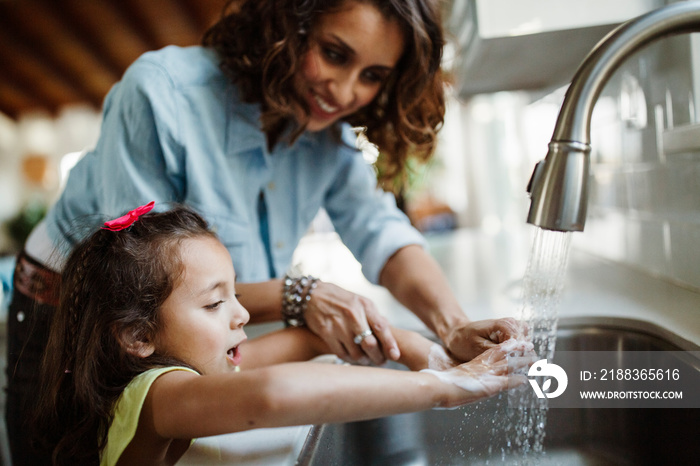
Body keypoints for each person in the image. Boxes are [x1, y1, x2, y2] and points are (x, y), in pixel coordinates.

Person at [7, 0, 523, 463]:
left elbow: (380, 230)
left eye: (372, 75)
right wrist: (303, 296)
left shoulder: (329, 135)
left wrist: (450, 328)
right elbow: (144, 284)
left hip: (176, 327)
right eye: (334, 53)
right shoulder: (164, 92)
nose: (345, 92)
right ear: (287, 23)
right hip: (70, 316)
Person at [31, 204, 531, 465]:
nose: (242, 315)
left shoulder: (195, 371)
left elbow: (314, 339)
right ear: (138, 336)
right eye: (214, 302)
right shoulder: (154, 395)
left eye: (236, 295)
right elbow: (273, 394)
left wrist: (436, 358)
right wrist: (443, 390)